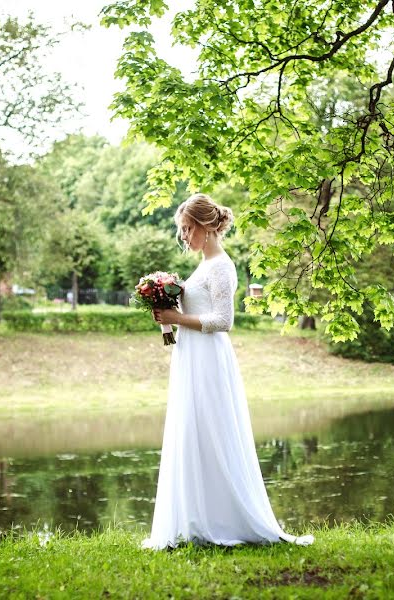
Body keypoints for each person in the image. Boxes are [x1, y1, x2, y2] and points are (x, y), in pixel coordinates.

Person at [144, 192, 314, 550]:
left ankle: (225, 519)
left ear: (206, 227)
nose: (184, 237)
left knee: (213, 431)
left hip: (210, 361)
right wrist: (166, 308)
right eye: (182, 230)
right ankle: (194, 519)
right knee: (193, 431)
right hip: (190, 359)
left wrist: (177, 318)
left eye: (188, 229)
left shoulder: (222, 266)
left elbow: (224, 320)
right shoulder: (202, 266)